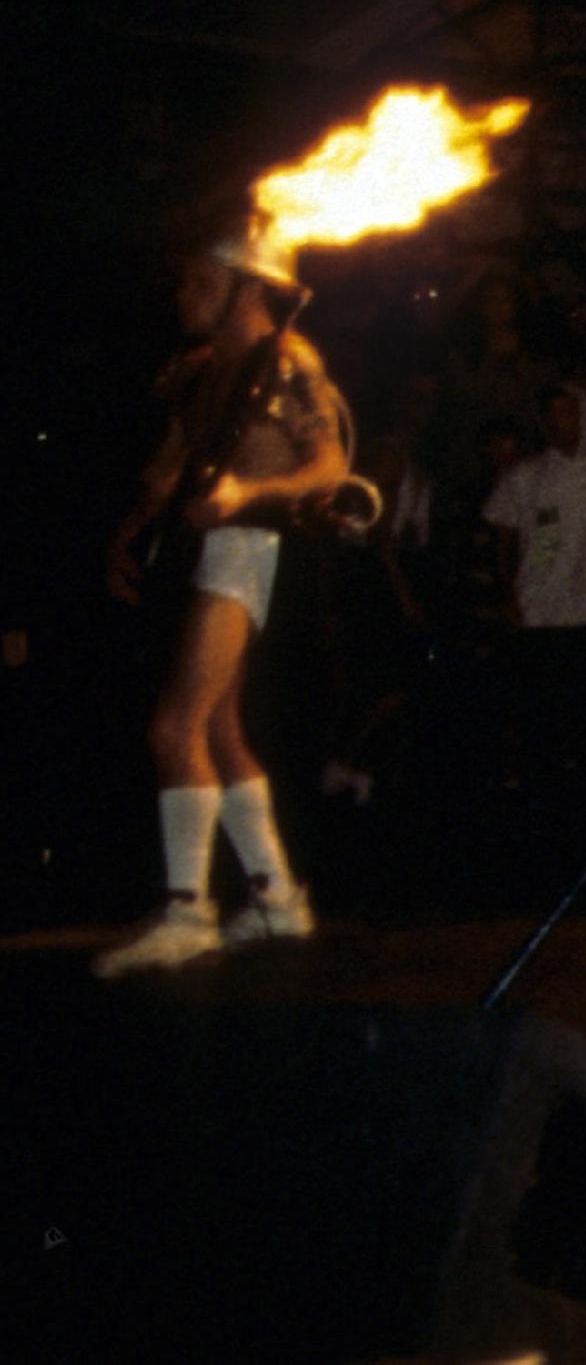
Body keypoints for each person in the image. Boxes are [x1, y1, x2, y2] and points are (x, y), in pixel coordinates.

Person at [97, 232, 355, 973]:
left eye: (196, 281)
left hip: (255, 546)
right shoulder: (208, 373)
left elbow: (329, 465)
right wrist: (128, 535)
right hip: (215, 549)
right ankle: (278, 900)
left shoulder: (288, 360)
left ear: (243, 285)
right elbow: (168, 473)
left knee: (174, 727)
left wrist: (249, 491)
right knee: (217, 727)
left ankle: (189, 912)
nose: (182, 296)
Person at [482, 380, 586, 790]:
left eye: (566, 412)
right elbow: (505, 535)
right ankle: (524, 782)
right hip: (537, 610)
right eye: (550, 414)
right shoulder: (527, 474)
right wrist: (507, 593)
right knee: (532, 704)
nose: (558, 422)